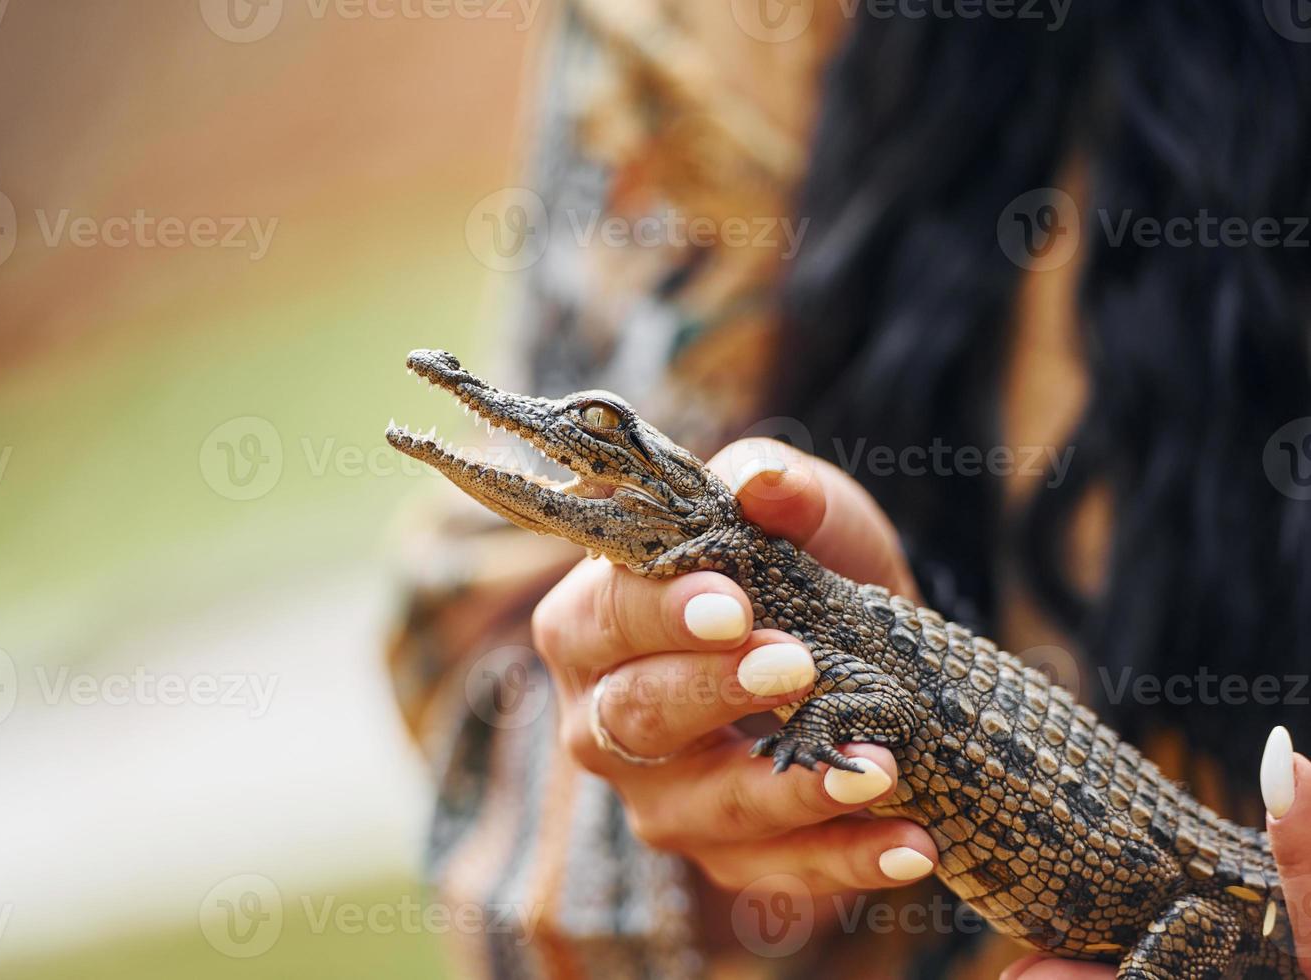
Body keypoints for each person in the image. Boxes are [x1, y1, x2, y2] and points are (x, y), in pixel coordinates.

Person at [387, 2, 1311, 976]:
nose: (559, 439)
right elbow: (470, 672)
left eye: (602, 431)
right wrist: (681, 816)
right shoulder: (702, 31)